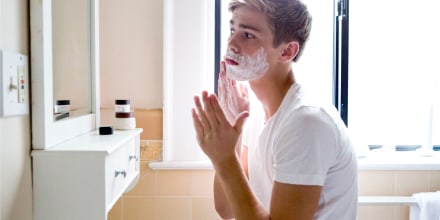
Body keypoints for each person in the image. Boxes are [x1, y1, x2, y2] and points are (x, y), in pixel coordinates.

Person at [191, 0, 358, 219]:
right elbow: (226, 208)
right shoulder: (255, 113)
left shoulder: (306, 123)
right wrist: (233, 134)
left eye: (248, 35)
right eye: (233, 29)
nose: (231, 43)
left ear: (287, 51)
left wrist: (224, 158)